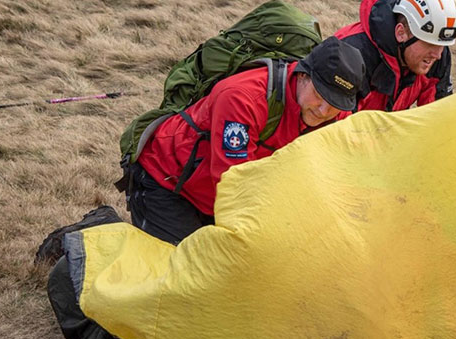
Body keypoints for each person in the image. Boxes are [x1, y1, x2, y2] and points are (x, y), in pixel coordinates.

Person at [127, 37, 365, 244]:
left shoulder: (336, 115)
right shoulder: (243, 98)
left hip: (217, 198)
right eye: (320, 95)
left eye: (335, 103)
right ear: (302, 75)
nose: (324, 110)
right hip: (166, 182)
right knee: (184, 277)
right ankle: (98, 230)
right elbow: (233, 181)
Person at [334, 0, 456, 112]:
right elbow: (331, 126)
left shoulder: (436, 55)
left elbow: (438, 117)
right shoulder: (348, 57)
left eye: (442, 45)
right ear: (401, 33)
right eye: (430, 44)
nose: (437, 55)